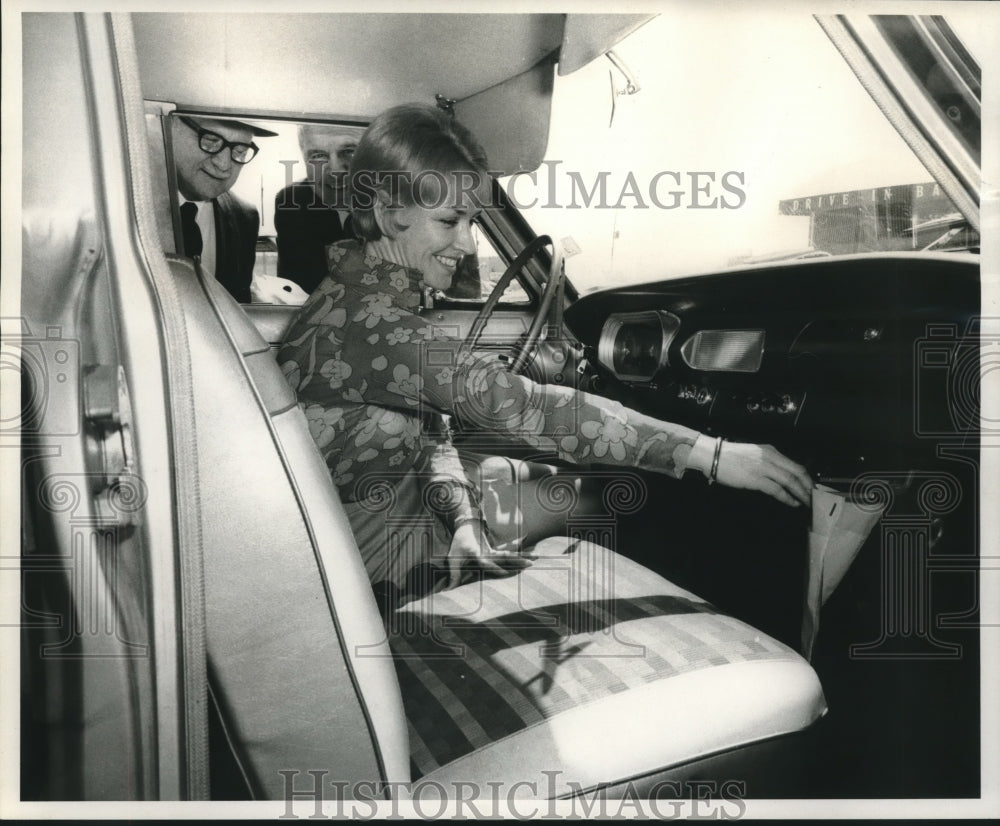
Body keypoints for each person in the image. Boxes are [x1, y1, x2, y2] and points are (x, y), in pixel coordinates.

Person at [277, 103, 812, 605]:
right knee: (622, 497)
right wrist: (711, 454)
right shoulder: (381, 330)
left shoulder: (350, 294)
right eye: (450, 221)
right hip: (368, 562)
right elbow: (533, 408)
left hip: (408, 511)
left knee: (589, 488)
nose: (467, 245)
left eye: (473, 222)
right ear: (389, 213)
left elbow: (428, 437)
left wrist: (462, 520)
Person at [171, 114, 276, 303]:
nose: (224, 165)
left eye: (240, 151)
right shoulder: (121, 205)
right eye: (211, 141)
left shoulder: (244, 217)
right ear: (170, 125)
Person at [274, 124, 359, 294]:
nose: (334, 170)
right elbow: (299, 289)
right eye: (318, 156)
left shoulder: (401, 201)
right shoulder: (293, 201)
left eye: (349, 151)